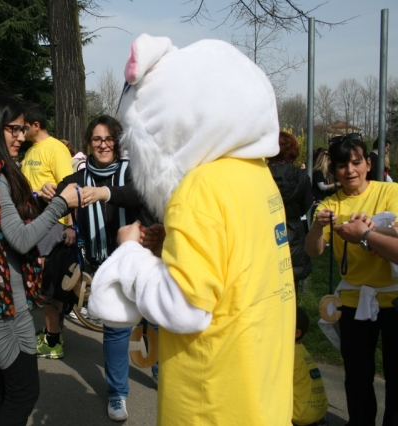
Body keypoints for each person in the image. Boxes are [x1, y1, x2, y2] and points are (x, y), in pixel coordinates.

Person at [87, 35, 295, 424]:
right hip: (261, 396)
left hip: (211, 401)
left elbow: (184, 308)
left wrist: (130, 254)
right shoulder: (256, 176)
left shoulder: (199, 187)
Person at [0, 95, 79, 426]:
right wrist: (59, 204)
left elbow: (4, 230)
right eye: (13, 129)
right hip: (0, 302)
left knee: (6, 386)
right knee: (24, 392)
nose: (20, 135)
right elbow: (21, 238)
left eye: (22, 128)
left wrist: (39, 205)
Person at [55, 115, 146, 422]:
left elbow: (139, 195)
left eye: (109, 139)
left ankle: (162, 372)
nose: (103, 145)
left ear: (117, 142)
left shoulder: (132, 170)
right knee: (116, 329)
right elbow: (60, 193)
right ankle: (118, 393)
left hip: (141, 260)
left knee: (156, 322)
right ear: (88, 144)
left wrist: (105, 193)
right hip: (105, 264)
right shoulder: (80, 177)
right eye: (97, 139)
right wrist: (47, 196)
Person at [305, 136, 398, 425]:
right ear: (334, 170)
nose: (350, 170)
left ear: (368, 164)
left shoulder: (391, 191)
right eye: (342, 165)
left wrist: (367, 233)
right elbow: (314, 251)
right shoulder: (329, 206)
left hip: (393, 298)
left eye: (356, 162)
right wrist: (318, 228)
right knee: (357, 378)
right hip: (353, 300)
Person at [21, 103, 74, 359]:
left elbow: (70, 189)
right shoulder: (30, 151)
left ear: (35, 125)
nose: (20, 132)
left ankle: (54, 340)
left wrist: (72, 225)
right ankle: (51, 333)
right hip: (32, 225)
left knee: (49, 286)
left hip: (52, 225)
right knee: (42, 284)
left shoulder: (56, 149)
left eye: (23, 127)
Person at [268, 132, 313, 291]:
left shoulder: (263, 175)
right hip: (293, 230)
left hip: (268, 230)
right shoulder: (301, 177)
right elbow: (306, 205)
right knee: (291, 287)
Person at [293, 307, 328, 426]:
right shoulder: (300, 349)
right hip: (319, 412)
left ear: (296, 333)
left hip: (300, 415)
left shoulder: (286, 354)